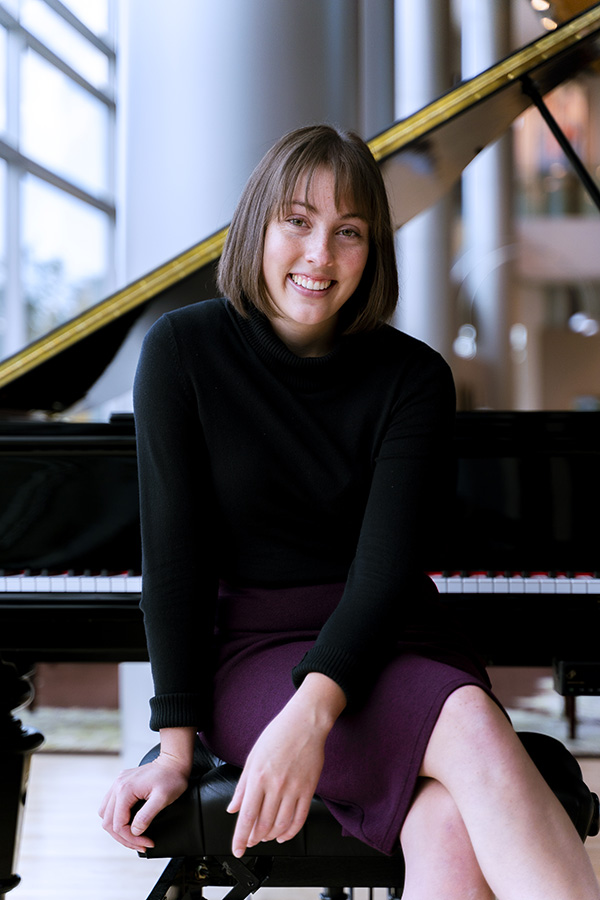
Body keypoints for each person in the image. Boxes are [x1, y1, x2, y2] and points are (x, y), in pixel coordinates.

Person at [100, 124, 600, 900]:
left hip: (397, 634)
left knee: (444, 817)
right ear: (258, 224)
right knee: (468, 721)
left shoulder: (413, 378)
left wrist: (312, 716)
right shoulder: (181, 352)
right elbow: (174, 562)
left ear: (374, 251)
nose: (320, 256)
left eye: (349, 232)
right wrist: (174, 747)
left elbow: (387, 571)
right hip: (255, 653)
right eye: (297, 221)